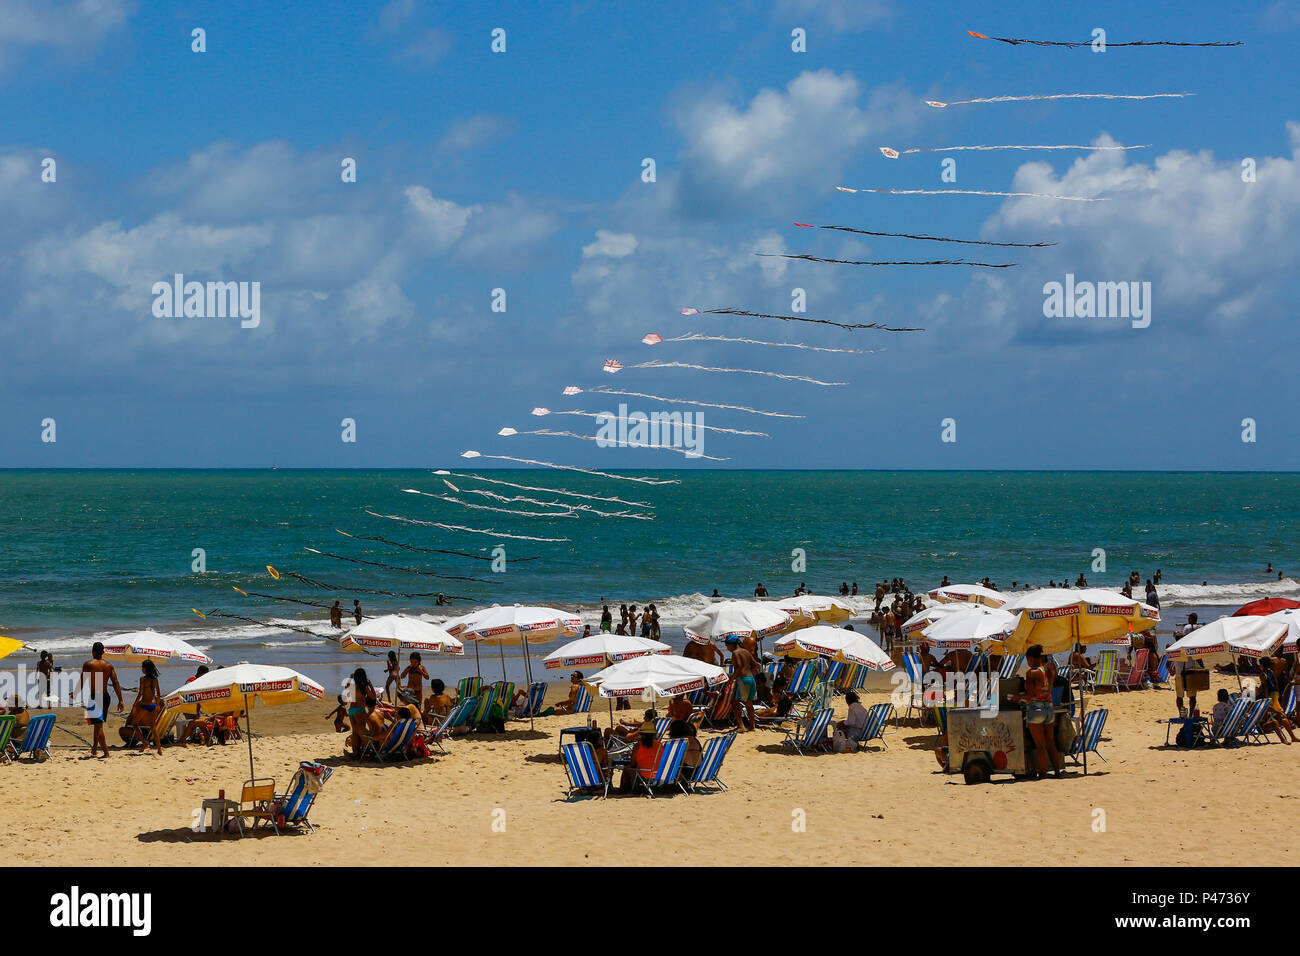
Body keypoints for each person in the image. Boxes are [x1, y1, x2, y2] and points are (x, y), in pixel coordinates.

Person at [1013, 644, 1061, 778]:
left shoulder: (1031, 673)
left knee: (1040, 746)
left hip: (1036, 709)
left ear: (1029, 658)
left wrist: (1016, 697)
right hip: (1049, 707)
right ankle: (1057, 771)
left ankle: (1044, 774)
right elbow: (1048, 685)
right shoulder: (1049, 669)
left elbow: (1030, 695)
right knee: (1051, 743)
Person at [79, 642, 123, 758]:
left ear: (92, 652)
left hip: (94, 697)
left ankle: (106, 752)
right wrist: (121, 700)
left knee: (98, 726)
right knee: (97, 725)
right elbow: (115, 683)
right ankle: (94, 749)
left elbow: (82, 680)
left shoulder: (88, 664)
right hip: (105, 696)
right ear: (103, 652)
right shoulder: (108, 665)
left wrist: (75, 693)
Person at [120, 659, 164, 754]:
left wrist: (135, 703)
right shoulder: (155, 680)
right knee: (153, 727)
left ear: (145, 669)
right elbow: (158, 694)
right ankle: (159, 749)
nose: (141, 669)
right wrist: (158, 705)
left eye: (142, 667)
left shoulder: (143, 679)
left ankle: (145, 743)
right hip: (153, 705)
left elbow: (140, 693)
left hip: (145, 705)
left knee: (135, 724)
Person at [726, 636, 759, 731]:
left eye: (727, 646)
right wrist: (749, 672)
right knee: (749, 703)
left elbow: (739, 667)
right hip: (751, 679)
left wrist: (731, 679)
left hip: (743, 680)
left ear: (731, 645)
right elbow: (756, 665)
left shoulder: (735, 653)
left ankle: (741, 726)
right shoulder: (746, 651)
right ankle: (752, 726)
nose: (727, 649)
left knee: (734, 702)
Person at [619, 729, 664, 793]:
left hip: (645, 779)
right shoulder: (659, 745)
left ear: (641, 735)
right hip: (660, 778)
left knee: (627, 768)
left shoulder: (638, 746)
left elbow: (632, 764)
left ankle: (622, 791)